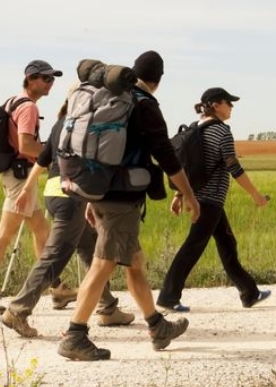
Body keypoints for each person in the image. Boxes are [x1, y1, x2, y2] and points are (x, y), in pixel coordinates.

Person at [57, 50, 201, 361]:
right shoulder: (144, 105)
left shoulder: (113, 98)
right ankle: (75, 335)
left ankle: (157, 325)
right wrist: (188, 195)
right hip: (121, 196)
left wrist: (90, 197)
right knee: (104, 264)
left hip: (99, 188)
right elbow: (166, 155)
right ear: (158, 80)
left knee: (134, 262)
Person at [0, 98, 135, 337]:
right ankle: (18, 310)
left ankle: (107, 307)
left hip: (54, 193)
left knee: (90, 248)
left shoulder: (62, 123)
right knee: (56, 256)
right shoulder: (87, 124)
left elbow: (43, 159)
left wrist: (27, 188)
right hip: (72, 197)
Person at [156, 87, 271, 313]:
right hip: (210, 200)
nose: (232, 107)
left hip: (200, 197)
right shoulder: (221, 132)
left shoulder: (194, 129)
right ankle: (168, 297)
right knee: (193, 247)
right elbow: (234, 167)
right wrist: (256, 195)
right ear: (216, 105)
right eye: (228, 103)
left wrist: (179, 194)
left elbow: (189, 166)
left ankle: (249, 293)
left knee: (228, 244)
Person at [0, 60, 62, 315]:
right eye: (46, 78)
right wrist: (55, 154)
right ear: (31, 79)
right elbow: (26, 146)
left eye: (52, 79)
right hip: (20, 177)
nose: (50, 83)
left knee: (42, 231)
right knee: (5, 234)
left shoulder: (13, 101)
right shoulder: (28, 107)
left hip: (17, 175)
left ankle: (57, 287)